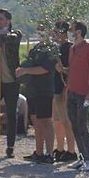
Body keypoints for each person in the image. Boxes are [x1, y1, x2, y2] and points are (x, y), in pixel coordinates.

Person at [16, 28, 58, 164]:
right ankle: (38, 152)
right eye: (39, 30)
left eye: (43, 31)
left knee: (46, 121)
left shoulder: (51, 49)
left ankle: (50, 154)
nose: (40, 33)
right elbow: (29, 63)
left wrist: (26, 70)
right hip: (32, 91)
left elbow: (45, 69)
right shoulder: (35, 49)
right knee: (36, 121)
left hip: (44, 91)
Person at [0, 9, 23, 158]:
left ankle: (10, 147)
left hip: (11, 81)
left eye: (1, 19)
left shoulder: (15, 34)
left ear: (8, 21)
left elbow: (11, 38)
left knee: (11, 113)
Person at [63, 21, 89, 172]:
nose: (71, 31)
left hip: (84, 93)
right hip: (72, 92)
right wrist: (62, 69)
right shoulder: (72, 48)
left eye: (73, 29)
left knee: (83, 125)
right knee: (75, 125)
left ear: (80, 31)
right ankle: (82, 157)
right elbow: (71, 70)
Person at [52, 21, 77, 162]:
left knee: (66, 120)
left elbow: (72, 69)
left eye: (57, 32)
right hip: (54, 87)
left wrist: (66, 88)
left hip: (63, 87)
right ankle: (60, 148)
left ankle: (71, 150)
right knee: (57, 120)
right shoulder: (55, 48)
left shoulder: (69, 48)